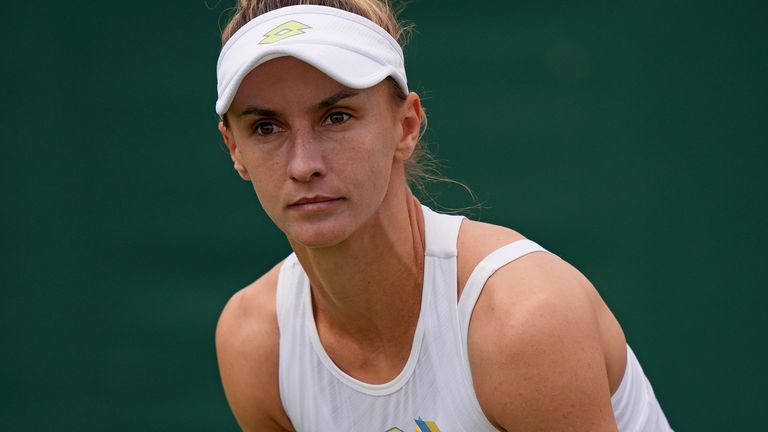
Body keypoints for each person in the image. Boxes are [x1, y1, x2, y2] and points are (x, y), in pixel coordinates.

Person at [213, 1, 673, 431]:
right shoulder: (254, 342)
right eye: (265, 127)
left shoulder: (525, 320)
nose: (303, 164)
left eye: (336, 117)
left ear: (406, 126)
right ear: (235, 149)